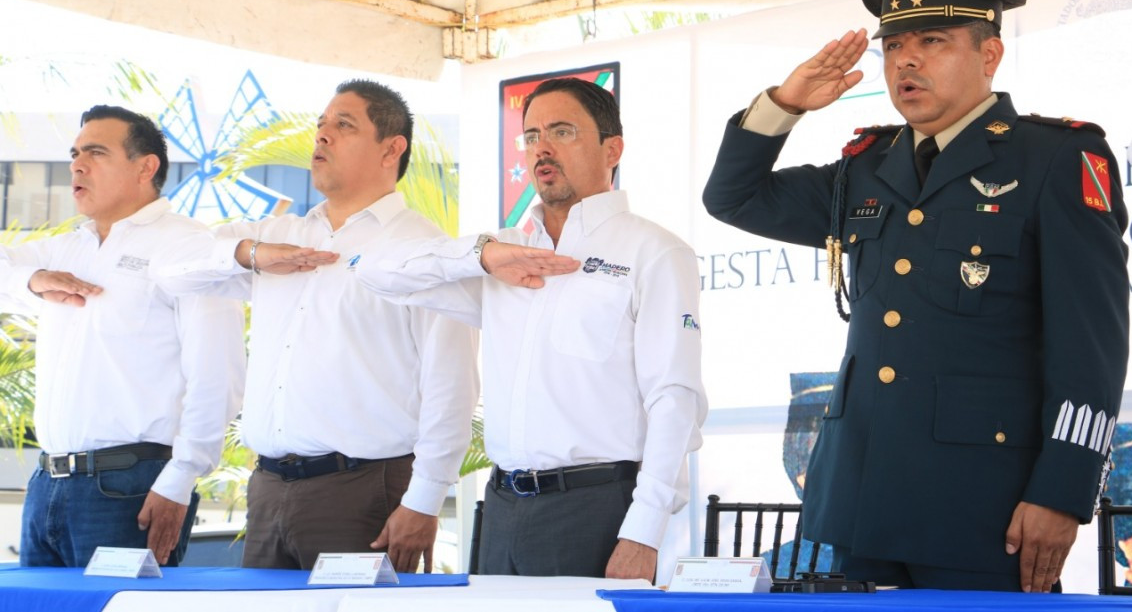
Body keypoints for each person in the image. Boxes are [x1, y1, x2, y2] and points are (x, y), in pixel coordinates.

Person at [703, 0, 1129, 593]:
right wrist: (784, 104)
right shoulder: (869, 166)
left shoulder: (1057, 160)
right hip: (857, 503)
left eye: (932, 40)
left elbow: (1091, 348)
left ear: (989, 53)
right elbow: (734, 197)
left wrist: (1063, 493)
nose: (906, 58)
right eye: (893, 45)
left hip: (984, 510)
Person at [351, 78, 707, 581]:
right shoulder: (505, 253)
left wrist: (643, 532)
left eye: (562, 131)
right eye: (532, 134)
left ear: (613, 149)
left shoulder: (655, 251)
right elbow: (373, 270)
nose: (541, 147)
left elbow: (675, 399)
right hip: (502, 507)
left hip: (595, 506)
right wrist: (483, 255)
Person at [156, 79, 479, 573]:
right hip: (267, 490)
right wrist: (249, 254)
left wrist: (426, 498)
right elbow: (169, 269)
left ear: (392, 149)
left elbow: (451, 385)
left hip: (363, 492)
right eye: (321, 125)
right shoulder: (277, 237)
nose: (322, 137)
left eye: (343, 125)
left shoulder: (421, 246)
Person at [0, 105, 246, 567]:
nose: (77, 164)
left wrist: (179, 480)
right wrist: (31, 281)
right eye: (74, 153)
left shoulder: (189, 246)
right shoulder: (66, 247)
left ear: (145, 167)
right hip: (46, 483)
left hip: (130, 488)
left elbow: (219, 378)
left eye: (96, 152)